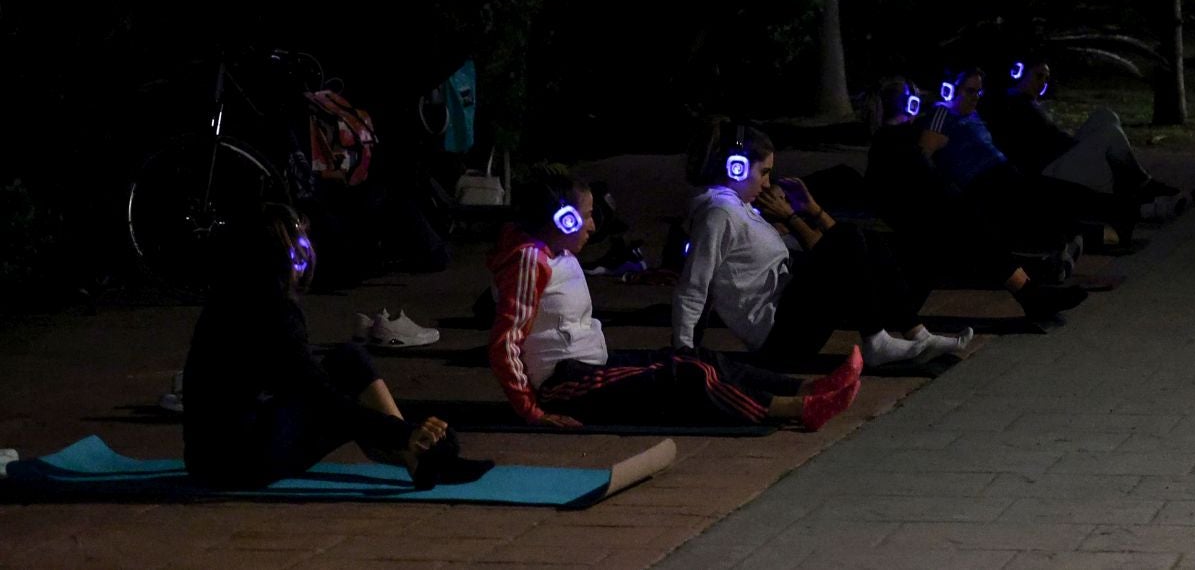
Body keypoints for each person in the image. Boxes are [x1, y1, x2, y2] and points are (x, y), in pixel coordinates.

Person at [488, 172, 860, 431]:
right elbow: (506, 342)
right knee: (689, 377)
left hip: (589, 365)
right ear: (562, 219)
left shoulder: (552, 254)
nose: (592, 226)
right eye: (584, 217)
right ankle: (796, 410)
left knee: (699, 358)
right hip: (562, 386)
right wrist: (533, 411)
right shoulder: (528, 261)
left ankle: (805, 388)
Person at [182, 203, 490, 489]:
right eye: (299, 249)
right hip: (233, 464)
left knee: (348, 360)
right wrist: (405, 433)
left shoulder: (232, 297)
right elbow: (324, 402)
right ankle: (417, 453)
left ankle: (418, 459)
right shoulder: (274, 312)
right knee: (344, 387)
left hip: (209, 457)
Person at [673, 125, 972, 370]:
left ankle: (916, 333)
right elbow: (694, 285)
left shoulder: (739, 209)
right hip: (778, 338)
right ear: (735, 168)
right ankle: (877, 341)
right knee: (847, 237)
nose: (766, 183)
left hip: (790, 316)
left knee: (862, 239)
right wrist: (683, 350)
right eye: (763, 172)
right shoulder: (719, 215)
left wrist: (804, 215)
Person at [869, 78, 1089, 323]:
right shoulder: (899, 137)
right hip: (922, 216)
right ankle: (1032, 293)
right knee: (975, 228)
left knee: (977, 227)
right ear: (910, 103)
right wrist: (931, 148)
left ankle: (1032, 292)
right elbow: (917, 178)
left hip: (933, 211)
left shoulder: (893, 137)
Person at [921, 67, 1136, 247]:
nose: (975, 97)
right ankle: (1093, 236)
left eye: (978, 92)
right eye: (969, 91)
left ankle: (1122, 215)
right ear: (950, 91)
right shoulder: (943, 115)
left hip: (1006, 171)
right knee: (1039, 208)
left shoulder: (975, 115)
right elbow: (922, 157)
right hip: (984, 180)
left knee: (1063, 192)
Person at [982, 60, 1195, 219]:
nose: (1042, 83)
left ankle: (1140, 181)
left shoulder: (1029, 103)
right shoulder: (1014, 104)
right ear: (1021, 74)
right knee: (1108, 134)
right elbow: (1033, 143)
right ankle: (1145, 185)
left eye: (1046, 79)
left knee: (1105, 116)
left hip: (1060, 154)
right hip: (1049, 168)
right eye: (1038, 76)